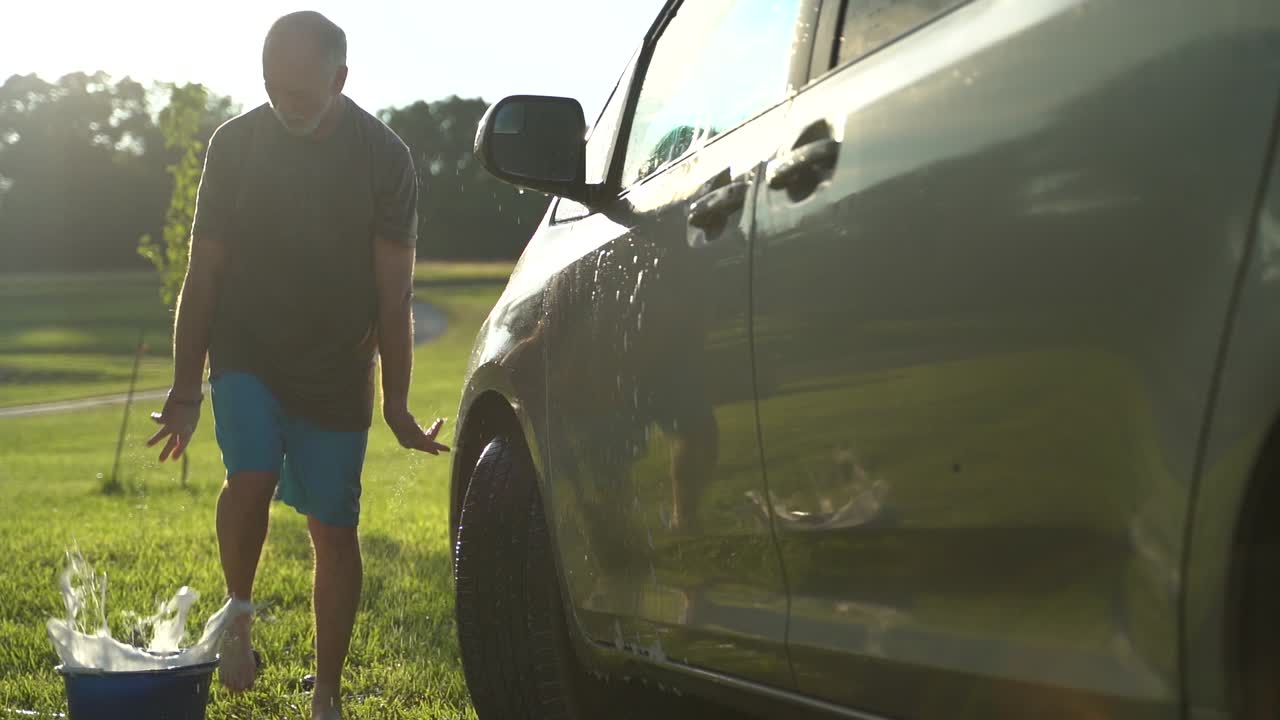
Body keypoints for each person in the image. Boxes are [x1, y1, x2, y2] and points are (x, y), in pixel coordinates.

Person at [145, 11, 449, 719]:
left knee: (333, 529)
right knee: (248, 474)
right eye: (271, 89)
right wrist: (188, 387)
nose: (284, 107)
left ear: (340, 80)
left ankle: (330, 692)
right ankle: (240, 616)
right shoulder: (236, 144)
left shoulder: (385, 158)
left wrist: (396, 402)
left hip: (339, 367)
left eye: (301, 94)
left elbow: (392, 291)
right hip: (246, 345)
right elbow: (204, 271)